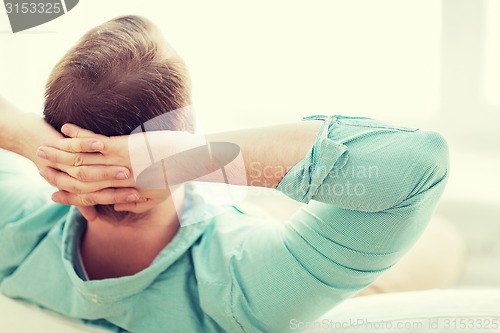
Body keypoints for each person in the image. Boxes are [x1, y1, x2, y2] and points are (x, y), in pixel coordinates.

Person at [0, 15, 449, 333]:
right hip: (255, 236)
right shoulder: (244, 287)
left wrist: (31, 140)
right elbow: (419, 166)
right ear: (185, 135)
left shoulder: (12, 229)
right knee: (446, 238)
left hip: (229, 216)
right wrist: (186, 160)